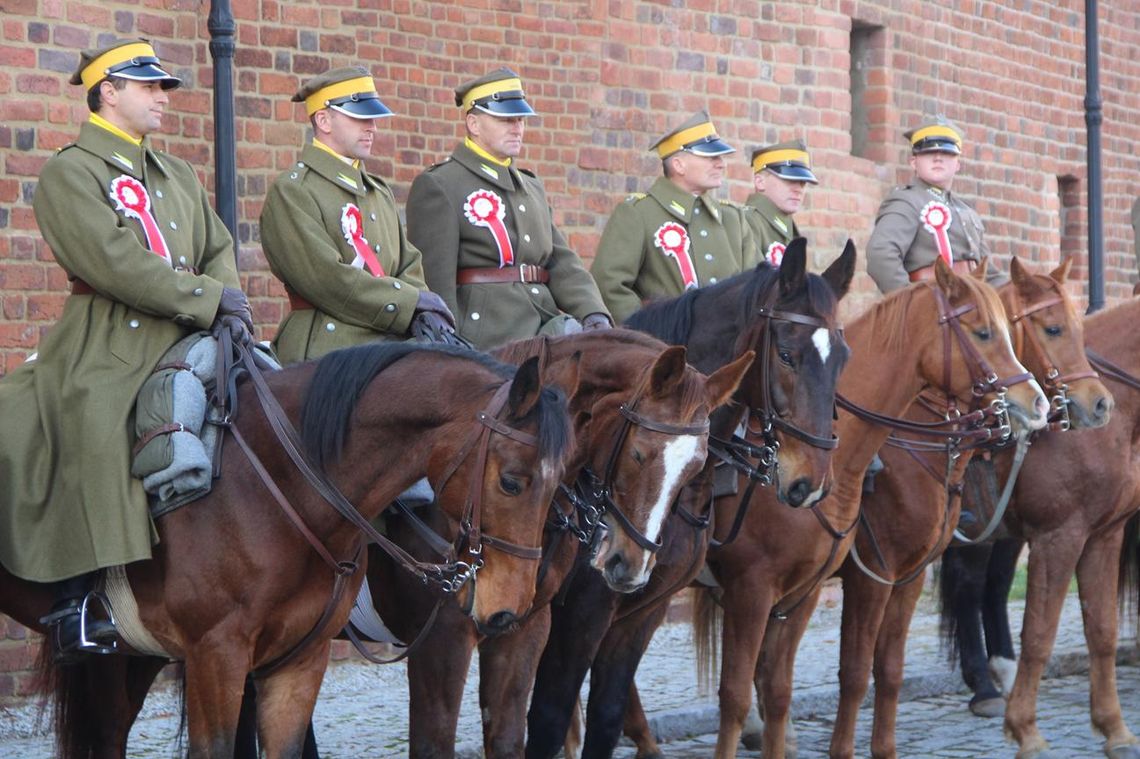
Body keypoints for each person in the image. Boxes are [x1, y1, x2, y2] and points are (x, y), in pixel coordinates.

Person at [0, 39, 251, 661]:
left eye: (163, 87)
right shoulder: (70, 171)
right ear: (107, 92)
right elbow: (111, 262)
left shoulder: (178, 173)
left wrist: (227, 298)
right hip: (108, 339)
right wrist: (205, 296)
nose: (162, 97)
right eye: (148, 86)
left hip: (195, 333)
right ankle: (80, 602)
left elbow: (219, 248)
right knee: (97, 420)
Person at [405, 67, 610, 350]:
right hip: (487, 338)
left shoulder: (530, 185)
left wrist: (593, 312)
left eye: (520, 119)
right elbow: (433, 278)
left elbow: (560, 260)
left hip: (544, 323)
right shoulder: (442, 184)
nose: (517, 127)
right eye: (505, 119)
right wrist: (449, 344)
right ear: (474, 124)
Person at [260, 67, 454, 363]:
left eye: (373, 118)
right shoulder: (293, 191)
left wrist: (421, 310)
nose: (372, 127)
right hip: (327, 348)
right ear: (324, 120)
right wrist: (408, 303)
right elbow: (328, 280)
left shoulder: (377, 190)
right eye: (360, 118)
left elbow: (408, 264)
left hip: (391, 339)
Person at [590, 109, 757, 324]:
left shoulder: (733, 219)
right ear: (679, 164)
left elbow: (756, 288)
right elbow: (608, 285)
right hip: (667, 352)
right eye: (710, 156)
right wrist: (651, 330)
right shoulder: (639, 213)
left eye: (720, 157)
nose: (721, 163)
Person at [866, 116, 1003, 292]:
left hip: (972, 302)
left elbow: (989, 274)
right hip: (932, 305)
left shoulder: (967, 212)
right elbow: (881, 253)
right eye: (928, 152)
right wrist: (909, 301)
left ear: (957, 164)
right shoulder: (906, 201)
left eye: (947, 153)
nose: (938, 157)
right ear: (914, 162)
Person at [744, 139, 818, 266]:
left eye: (802, 183)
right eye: (789, 180)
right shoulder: (747, 220)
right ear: (760, 182)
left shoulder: (786, 226)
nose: (798, 189)